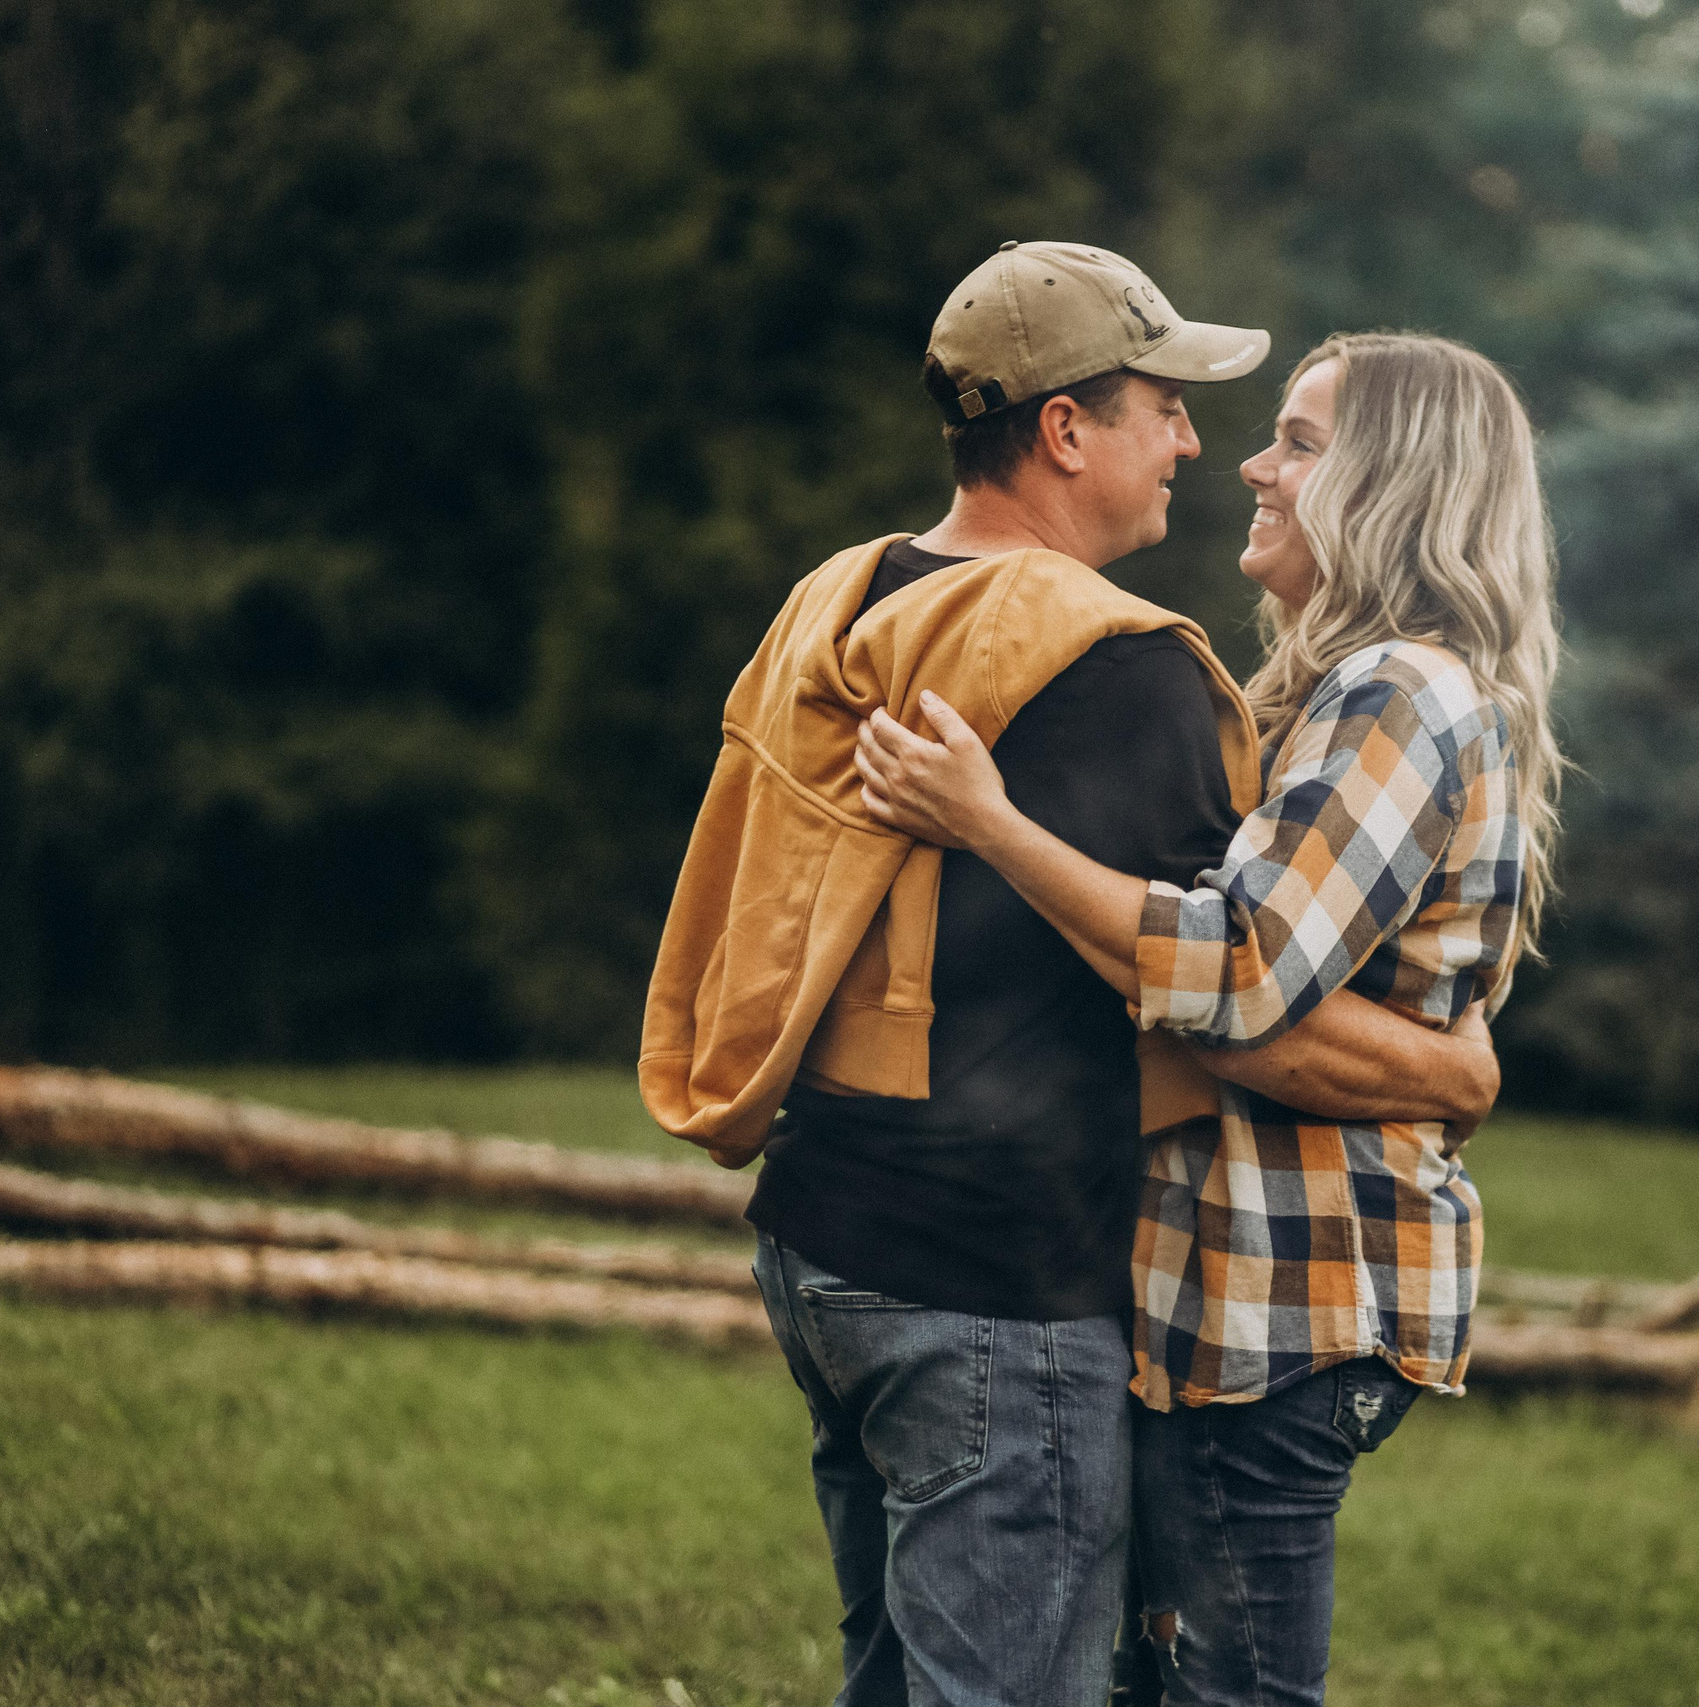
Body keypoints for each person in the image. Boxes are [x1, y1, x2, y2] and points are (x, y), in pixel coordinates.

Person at [641, 254, 1501, 1707]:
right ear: (1063, 432)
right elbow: (1232, 999)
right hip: (994, 1283)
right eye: (1164, 407)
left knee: (892, 1677)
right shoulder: (1117, 668)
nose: (1191, 444)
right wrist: (1451, 1071)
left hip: (820, 1237)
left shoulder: (841, 599)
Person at [856, 330, 1564, 1707]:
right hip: (1237, 1299)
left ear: (1392, 483)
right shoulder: (1334, 689)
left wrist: (991, 827)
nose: (1253, 461)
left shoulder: (1399, 694)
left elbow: (1239, 971)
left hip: (1285, 1305)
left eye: (1299, 440)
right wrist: (1442, 1068)